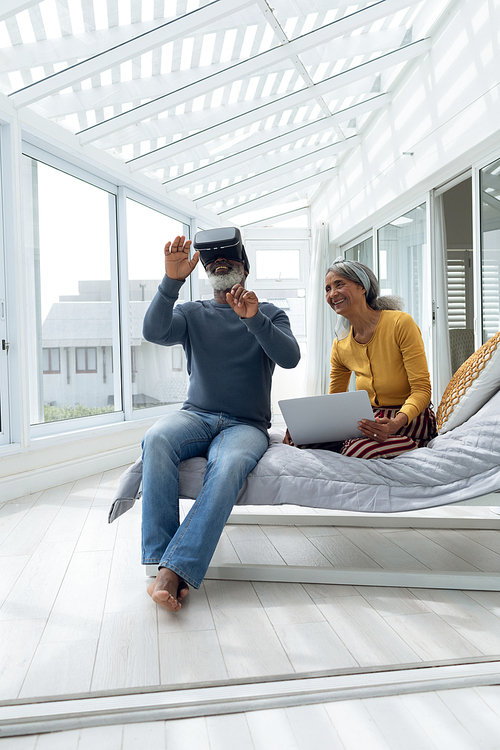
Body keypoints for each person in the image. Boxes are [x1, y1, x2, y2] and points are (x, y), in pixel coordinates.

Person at [141, 235, 300, 611]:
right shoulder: (192, 313)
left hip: (245, 426)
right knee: (157, 438)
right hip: (196, 415)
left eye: (229, 258)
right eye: (212, 260)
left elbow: (290, 358)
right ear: (206, 271)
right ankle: (162, 560)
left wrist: (254, 320)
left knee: (228, 465)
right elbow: (153, 332)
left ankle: (172, 570)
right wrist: (171, 281)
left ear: (245, 268)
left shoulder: (270, 313)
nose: (219, 262)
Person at [285, 258, 436, 458]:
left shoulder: (400, 323)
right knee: (298, 442)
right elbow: (335, 400)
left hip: (410, 419)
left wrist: (396, 423)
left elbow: (422, 389)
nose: (332, 294)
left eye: (339, 284)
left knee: (356, 450)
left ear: (362, 287)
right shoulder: (340, 344)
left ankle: (411, 444)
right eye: (328, 288)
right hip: (370, 418)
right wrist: (305, 429)